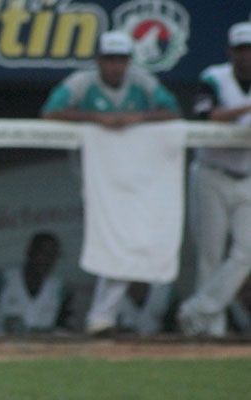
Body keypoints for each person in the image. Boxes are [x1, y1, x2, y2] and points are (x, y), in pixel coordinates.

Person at [41, 30, 181, 336]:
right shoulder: (82, 82)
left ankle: (102, 317)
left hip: (135, 173)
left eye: (121, 60)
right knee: (111, 237)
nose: (116, 66)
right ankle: (101, 317)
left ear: (129, 61)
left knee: (127, 238)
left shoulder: (142, 81)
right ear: (98, 60)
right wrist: (95, 118)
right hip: (93, 173)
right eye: (110, 60)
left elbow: (173, 111)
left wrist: (138, 118)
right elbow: (49, 113)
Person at [178, 21, 251, 337]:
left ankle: (197, 311)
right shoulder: (214, 77)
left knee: (246, 252)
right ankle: (211, 329)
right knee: (210, 253)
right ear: (230, 52)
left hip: (248, 176)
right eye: (241, 50)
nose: (247, 56)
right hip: (212, 173)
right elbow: (206, 114)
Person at [0, 232, 73, 335]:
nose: (46, 260)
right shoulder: (0, 280)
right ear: (30, 252)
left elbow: (63, 327)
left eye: (52, 255)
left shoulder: (60, 289)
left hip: (41, 344)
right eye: (43, 253)